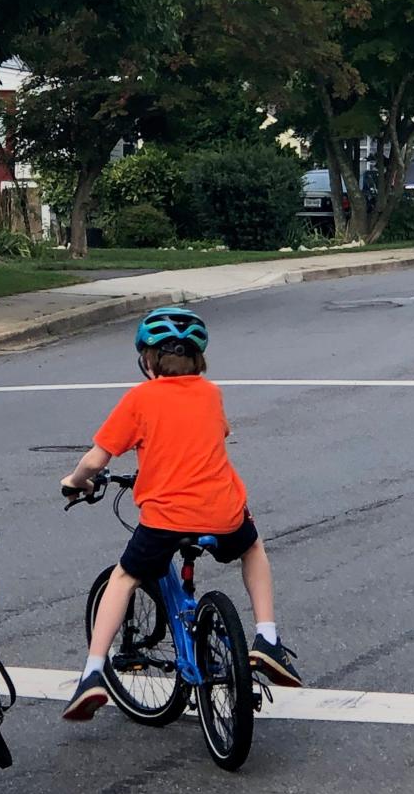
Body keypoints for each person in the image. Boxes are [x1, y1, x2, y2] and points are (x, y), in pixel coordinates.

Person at [58, 307, 303, 722]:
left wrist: (76, 480)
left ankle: (93, 672)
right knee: (253, 548)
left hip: (166, 519)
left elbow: (97, 458)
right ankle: (267, 637)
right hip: (224, 512)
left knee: (124, 576)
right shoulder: (212, 394)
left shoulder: (140, 398)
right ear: (198, 359)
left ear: (148, 360)